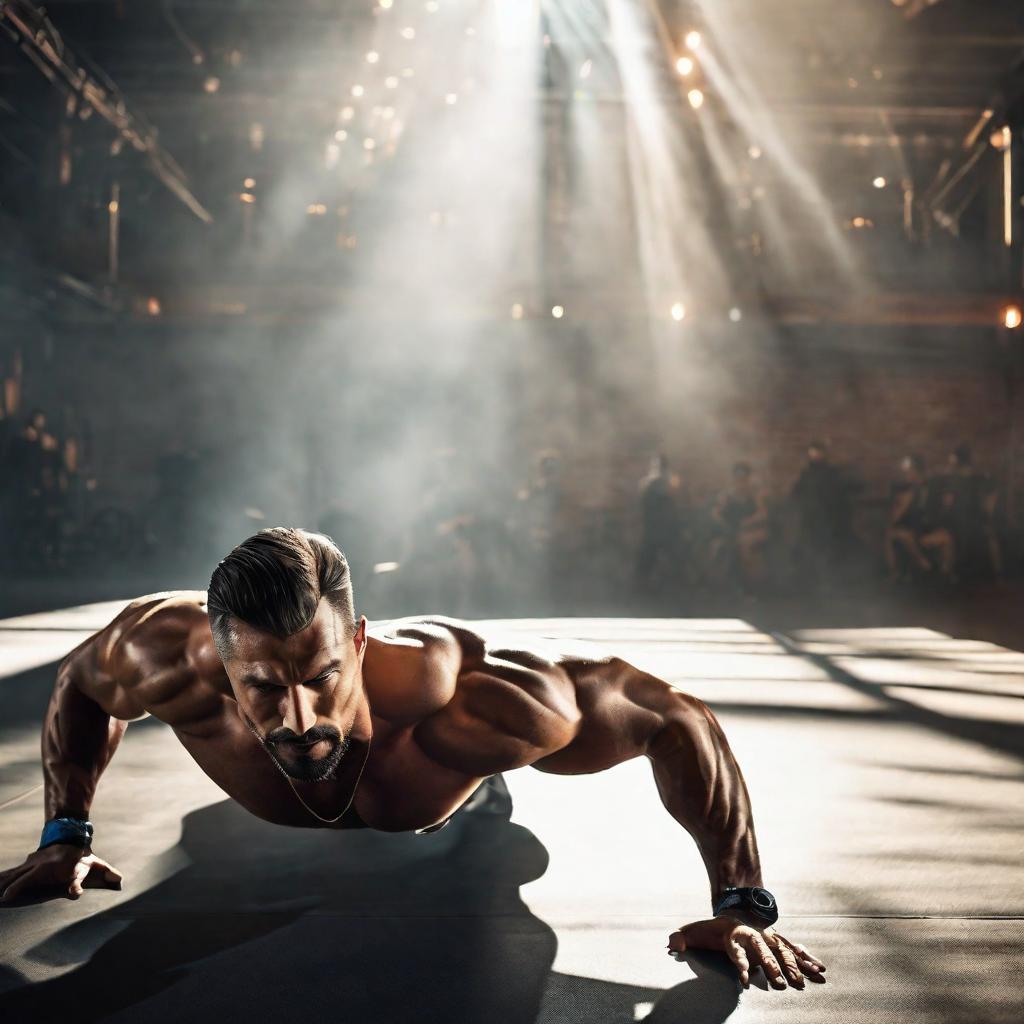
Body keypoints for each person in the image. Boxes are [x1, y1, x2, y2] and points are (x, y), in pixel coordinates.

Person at [0, 528, 824, 991]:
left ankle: (480, 794)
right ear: (220, 661)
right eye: (262, 687)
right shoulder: (163, 655)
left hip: (445, 792)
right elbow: (79, 684)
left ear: (357, 643)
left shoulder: (476, 699)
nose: (299, 718)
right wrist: (64, 832)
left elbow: (673, 717)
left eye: (323, 678)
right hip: (244, 823)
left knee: (480, 812)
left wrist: (741, 902)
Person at [885, 455, 954, 582]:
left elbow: (941, 508)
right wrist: (903, 503)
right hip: (911, 530)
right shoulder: (905, 490)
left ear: (917, 471)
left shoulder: (933, 486)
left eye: (909, 472)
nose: (906, 475)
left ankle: (946, 573)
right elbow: (895, 519)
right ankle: (922, 563)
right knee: (897, 534)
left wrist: (945, 504)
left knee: (947, 537)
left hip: (928, 529)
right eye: (905, 473)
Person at [709, 462, 771, 593]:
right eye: (738, 478)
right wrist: (722, 521)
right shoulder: (727, 495)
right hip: (732, 530)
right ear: (734, 478)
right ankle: (730, 585)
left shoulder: (754, 494)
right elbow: (716, 513)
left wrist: (748, 521)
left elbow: (763, 514)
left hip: (751, 531)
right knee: (725, 546)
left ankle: (749, 587)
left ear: (748, 478)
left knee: (744, 546)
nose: (741, 481)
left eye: (744, 478)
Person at [634, 453, 688, 592]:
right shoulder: (646, 481)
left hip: (668, 527)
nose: (657, 469)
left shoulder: (672, 480)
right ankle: (640, 588)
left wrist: (666, 479)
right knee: (646, 559)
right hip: (652, 526)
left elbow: (674, 493)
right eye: (655, 466)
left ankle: (680, 587)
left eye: (660, 466)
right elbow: (642, 493)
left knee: (676, 558)